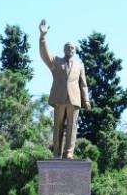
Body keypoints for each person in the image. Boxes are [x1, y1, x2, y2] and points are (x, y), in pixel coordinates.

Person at [38, 19, 90, 159]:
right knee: (58, 127)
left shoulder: (80, 66)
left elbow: (83, 84)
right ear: (64, 49)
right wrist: (43, 37)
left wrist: (87, 100)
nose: (70, 49)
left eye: (72, 48)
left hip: (74, 100)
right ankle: (57, 153)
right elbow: (44, 55)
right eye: (67, 47)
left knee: (72, 128)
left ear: (75, 50)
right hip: (59, 98)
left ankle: (69, 153)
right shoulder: (56, 61)